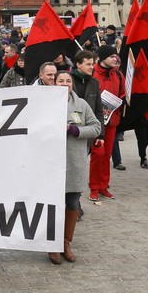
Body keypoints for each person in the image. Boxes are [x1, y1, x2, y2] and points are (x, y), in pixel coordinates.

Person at [49, 71, 101, 264]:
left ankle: (66, 243)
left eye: (68, 81)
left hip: (74, 161)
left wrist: (74, 129)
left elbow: (96, 127)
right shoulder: (45, 104)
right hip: (50, 163)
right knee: (53, 205)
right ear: (54, 83)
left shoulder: (81, 105)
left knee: (72, 203)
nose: (65, 84)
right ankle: (52, 245)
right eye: (60, 81)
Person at [89, 45, 125, 201]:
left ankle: (103, 186)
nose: (115, 59)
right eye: (112, 56)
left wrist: (122, 100)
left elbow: (122, 93)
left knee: (107, 155)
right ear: (103, 58)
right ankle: (94, 187)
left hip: (112, 121)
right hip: (96, 121)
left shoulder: (118, 74)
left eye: (116, 56)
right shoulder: (92, 73)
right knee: (98, 154)